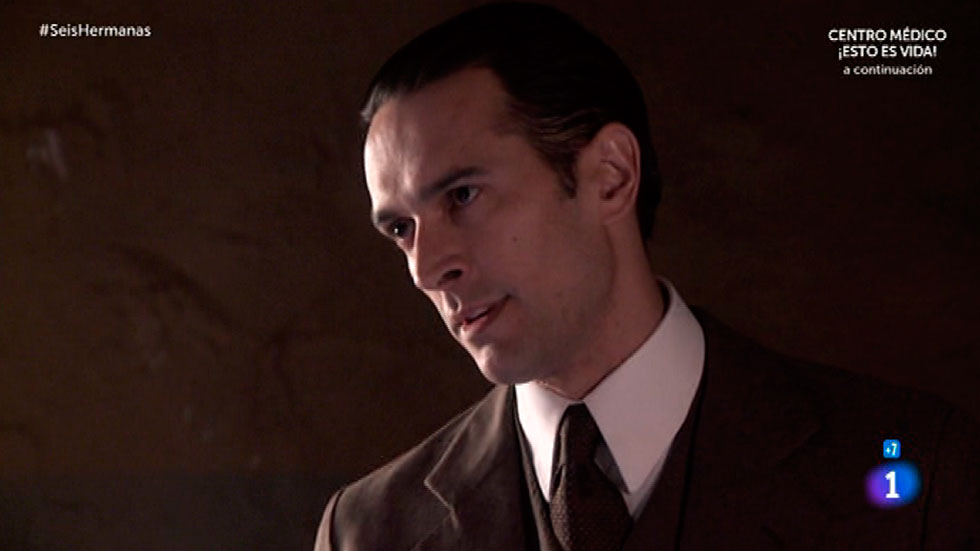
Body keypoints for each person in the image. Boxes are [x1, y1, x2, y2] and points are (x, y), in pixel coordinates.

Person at [315, 3, 979, 549]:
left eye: (462, 195)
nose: (428, 267)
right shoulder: (368, 532)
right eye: (400, 228)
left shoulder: (913, 471)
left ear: (611, 175)